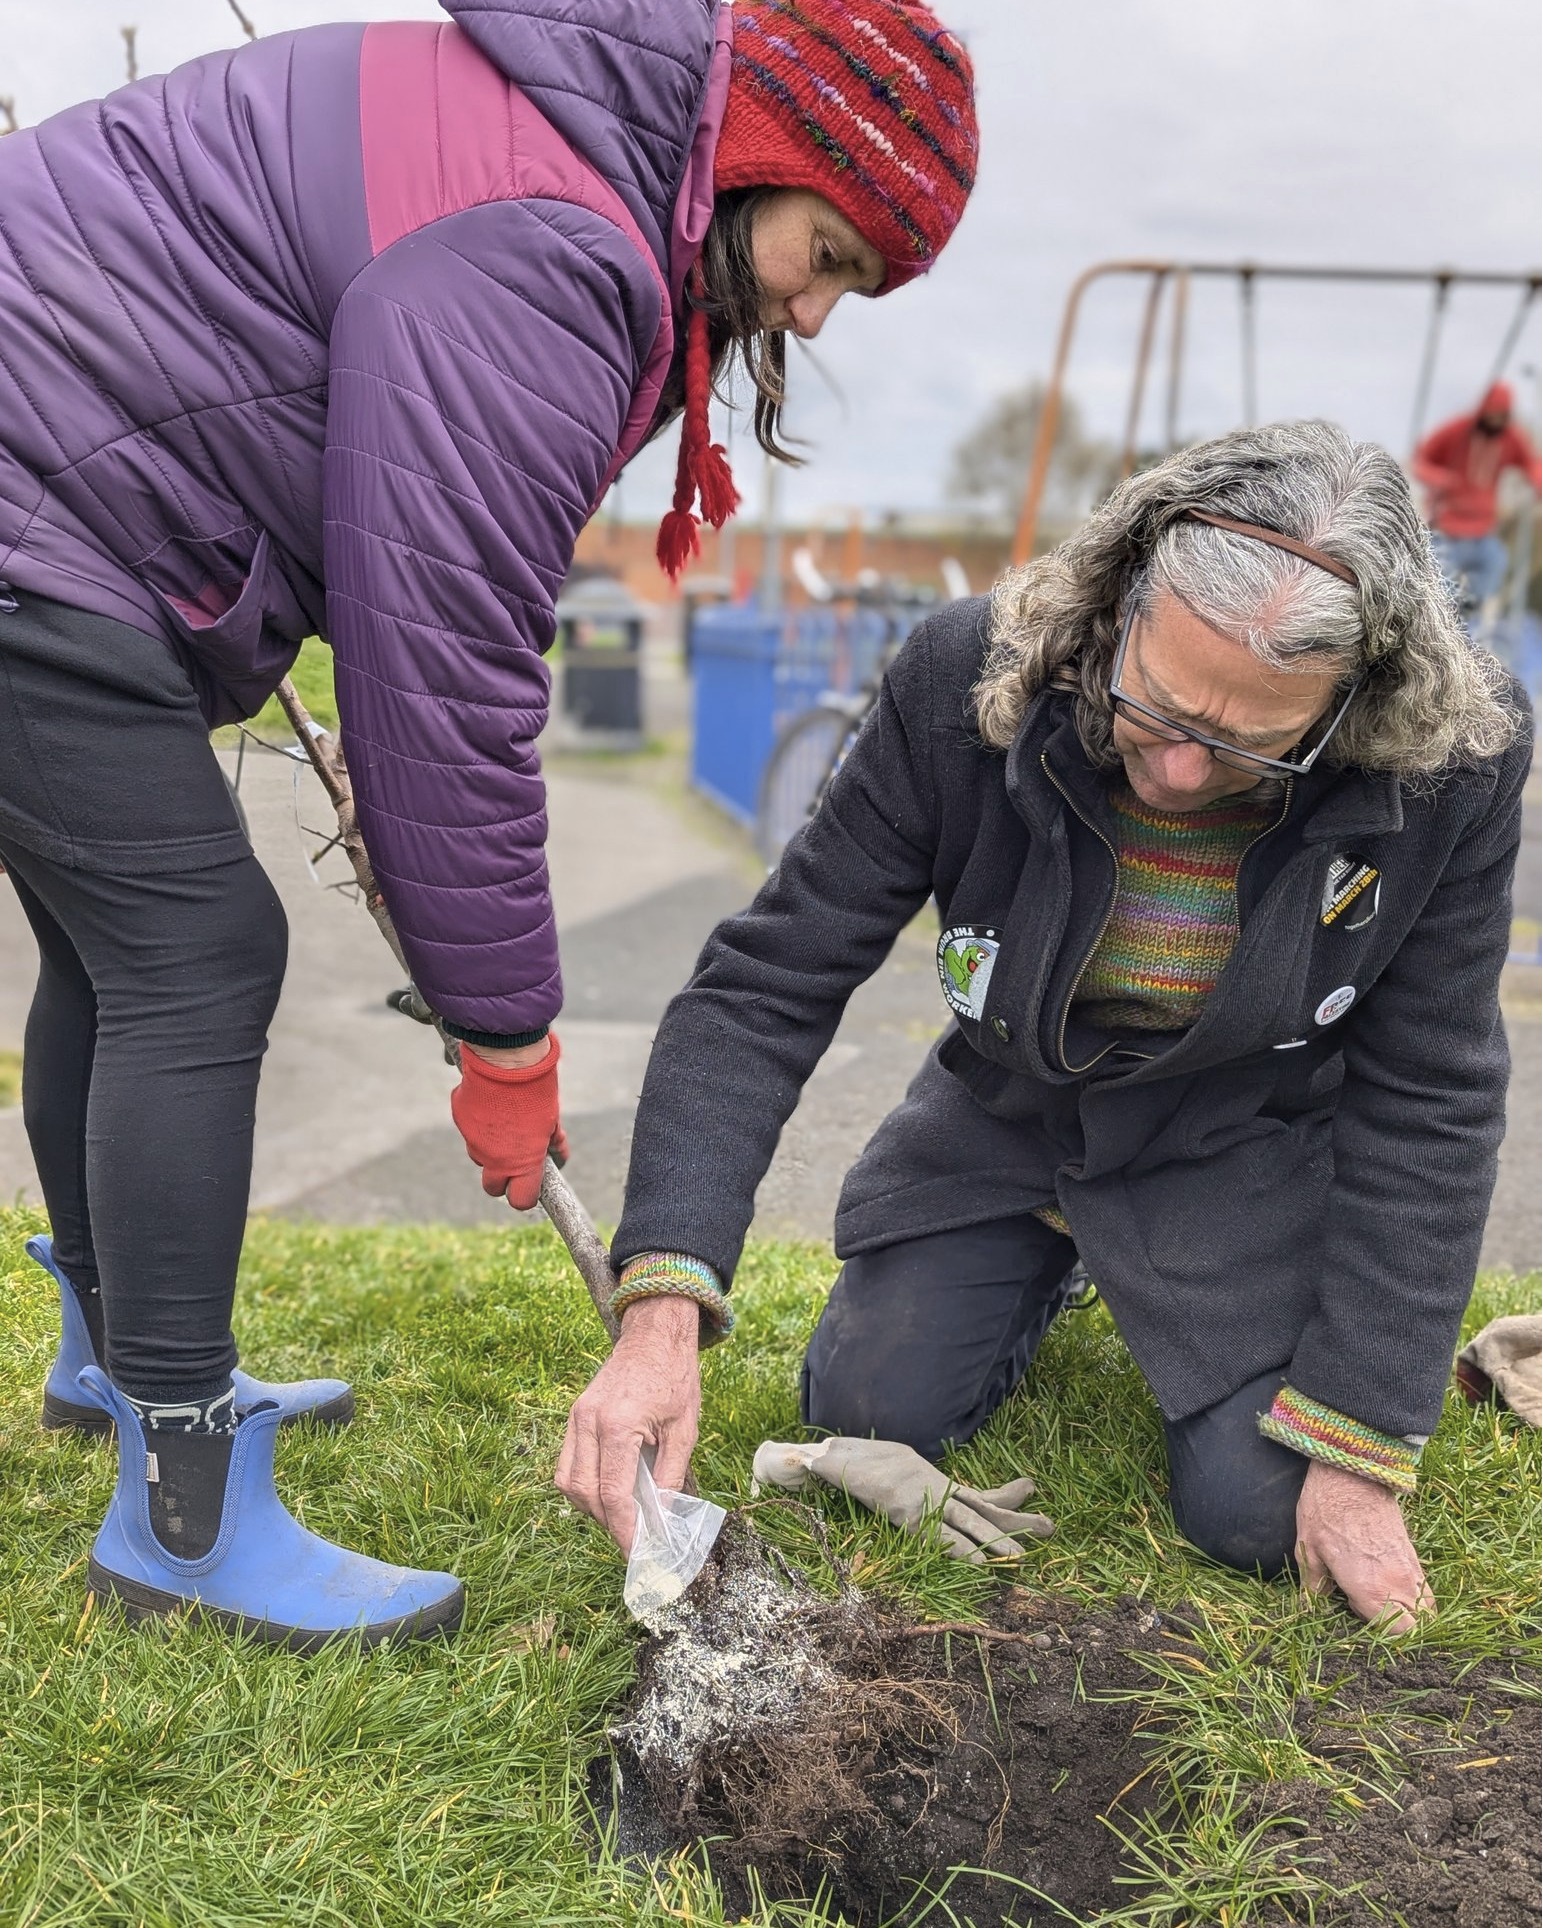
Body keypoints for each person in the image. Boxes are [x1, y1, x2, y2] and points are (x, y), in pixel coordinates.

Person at [0, 0, 978, 1647]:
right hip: (39, 505)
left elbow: (401, 566)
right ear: (759, 159)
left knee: (121, 942)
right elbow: (447, 653)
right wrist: (506, 1036)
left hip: (55, 492)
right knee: (195, 948)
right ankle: (184, 1507)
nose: (807, 312)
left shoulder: (549, 136)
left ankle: (122, 1358)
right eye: (826, 257)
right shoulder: (555, 242)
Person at [559, 421, 1531, 1635]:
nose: (1177, 772)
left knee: (1252, 1513)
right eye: (1157, 705)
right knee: (866, 1397)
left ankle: (1162, 1262)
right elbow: (767, 984)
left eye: (1243, 741)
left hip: (1238, 1134)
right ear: (1118, 603)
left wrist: (1363, 1431)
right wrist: (662, 1305)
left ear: (1355, 701)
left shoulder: (1456, 760)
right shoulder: (960, 673)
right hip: (1010, 1110)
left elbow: (1430, 1089)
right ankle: (1051, 1253)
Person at [1413, 381, 1541, 622]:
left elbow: (1531, 462)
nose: (1496, 422)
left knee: (1496, 560)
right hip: (1447, 531)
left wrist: (1537, 481)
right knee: (1440, 583)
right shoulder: (1455, 431)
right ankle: (1442, 619)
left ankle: (1470, 609)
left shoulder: (1510, 438)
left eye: (1501, 416)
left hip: (1482, 533)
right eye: (1492, 415)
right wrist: (1440, 479)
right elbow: (1421, 460)